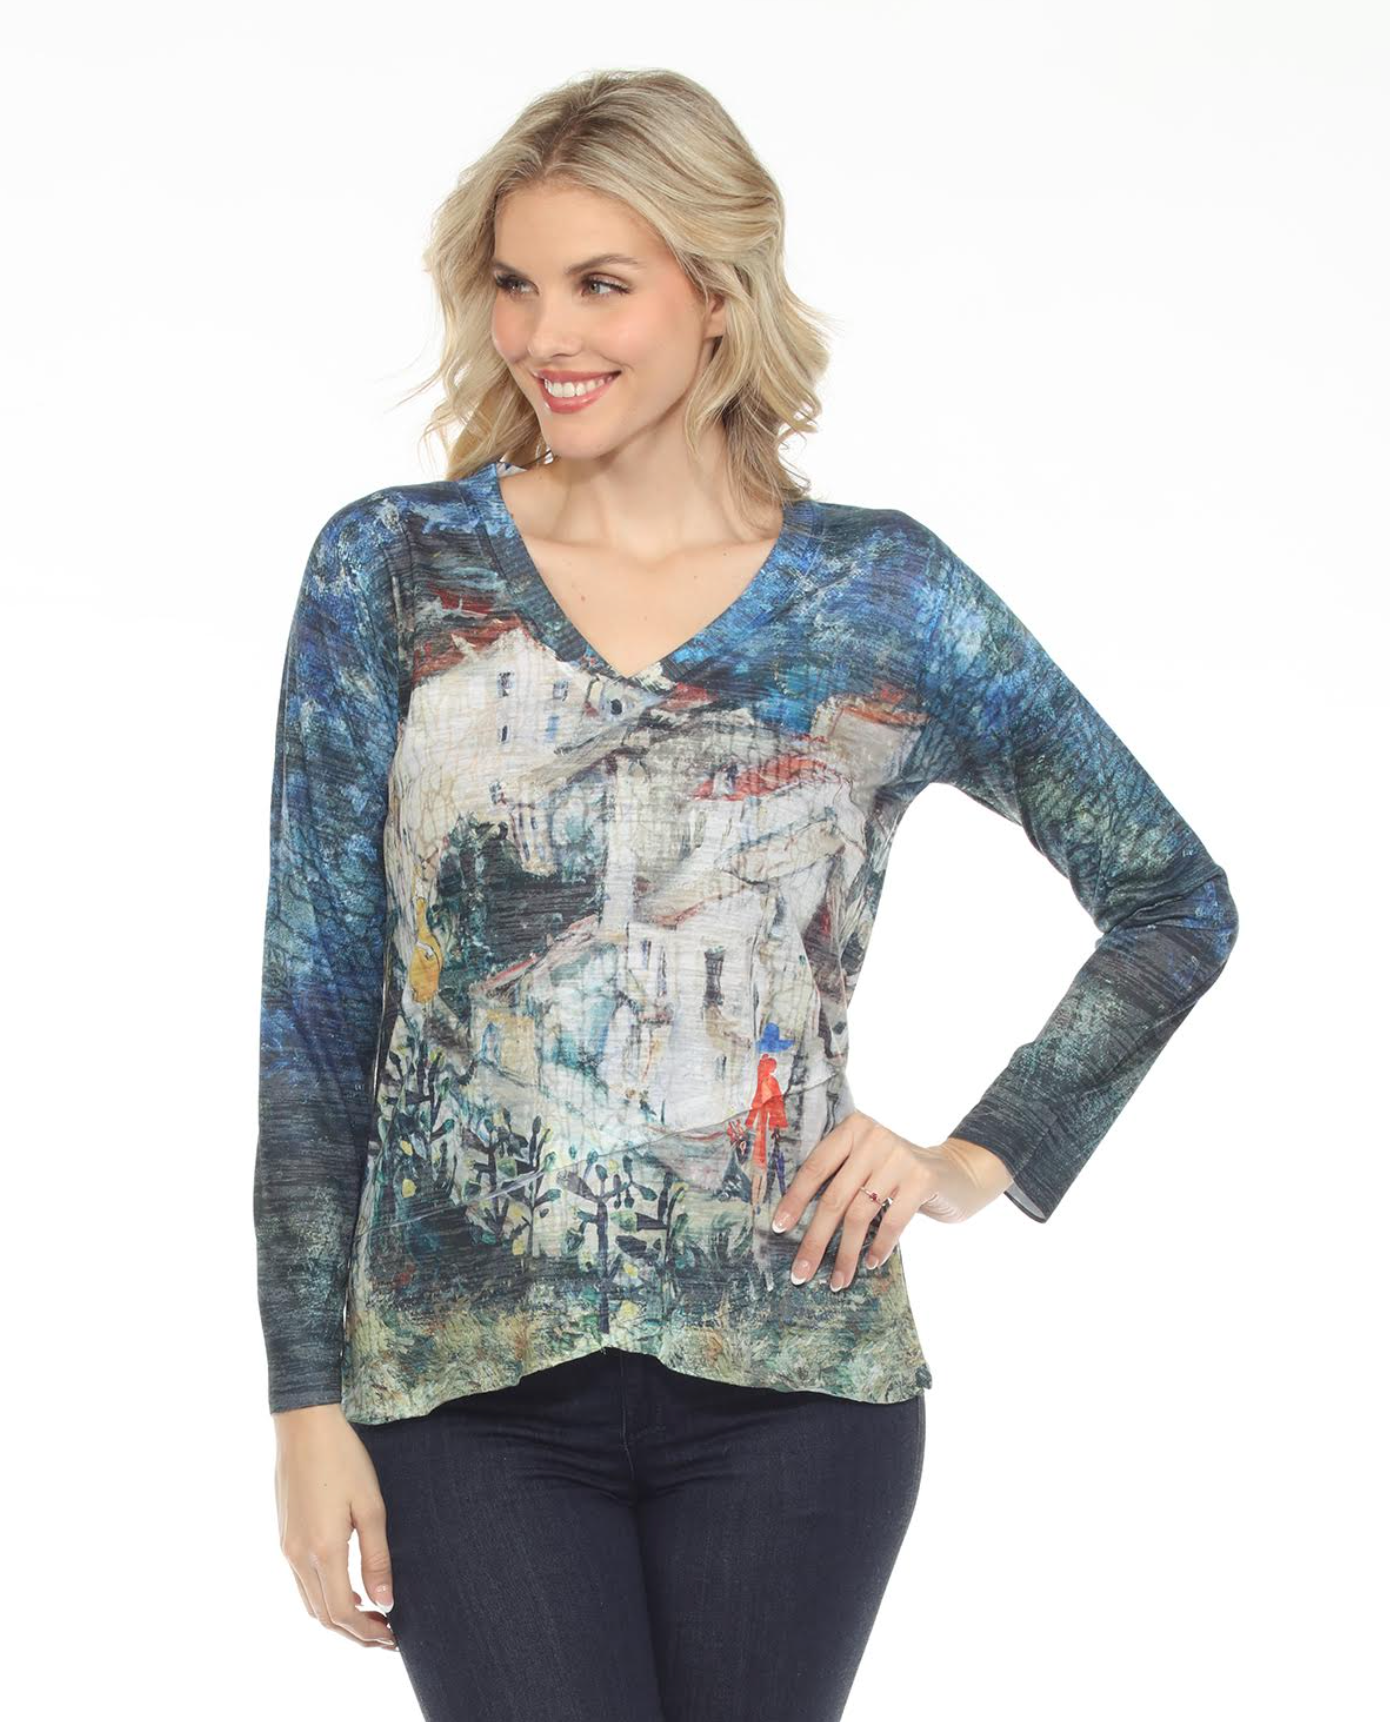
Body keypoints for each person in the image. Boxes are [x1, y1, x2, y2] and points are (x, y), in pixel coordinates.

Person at [253, 67, 1239, 1722]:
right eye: (512, 284)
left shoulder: (883, 594)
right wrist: (302, 1399)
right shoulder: (396, 569)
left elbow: (1170, 897)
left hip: (797, 1385)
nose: (542, 335)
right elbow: (314, 1010)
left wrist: (971, 1156)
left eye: (599, 284)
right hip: (461, 1386)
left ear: (715, 294)